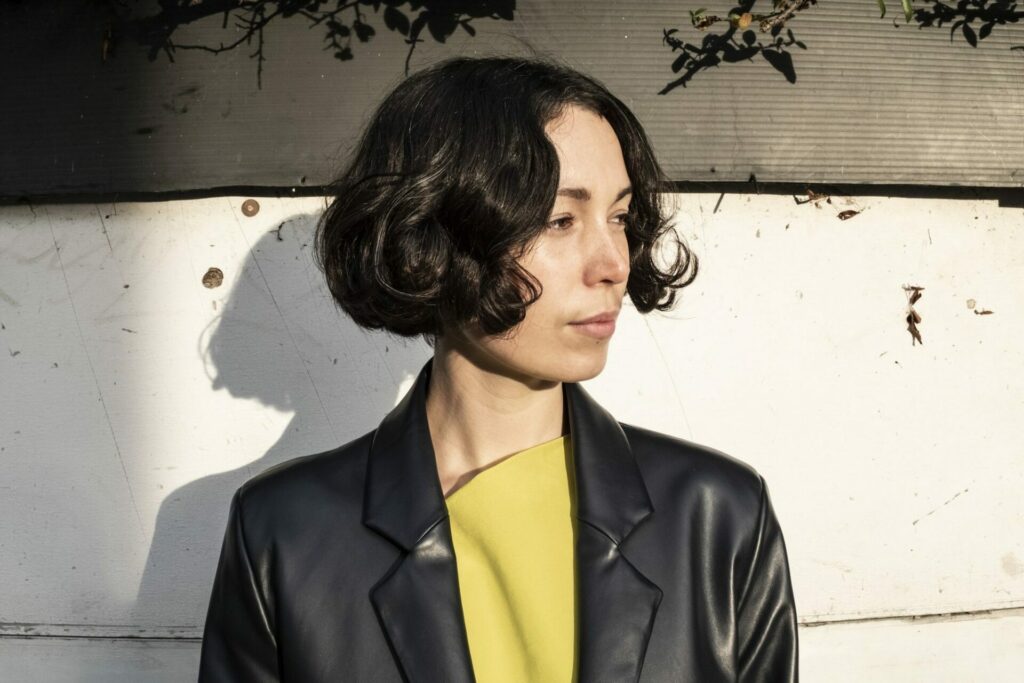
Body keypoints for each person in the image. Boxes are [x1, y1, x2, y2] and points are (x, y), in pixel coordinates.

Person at [199, 55, 798, 682]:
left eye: (619, 217)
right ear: (434, 238)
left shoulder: (718, 518)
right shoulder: (284, 534)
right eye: (560, 220)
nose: (613, 262)